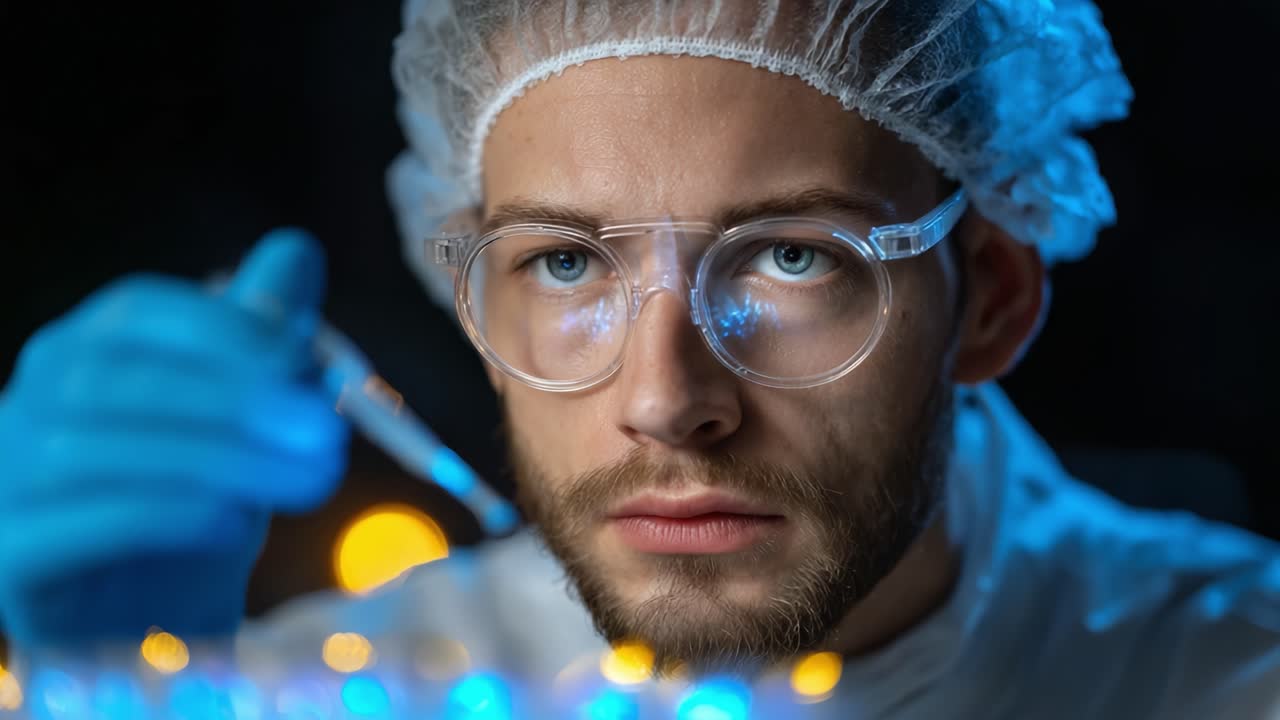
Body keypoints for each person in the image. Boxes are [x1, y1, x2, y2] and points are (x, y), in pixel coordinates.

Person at [1, 0, 1277, 717]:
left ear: (987, 301)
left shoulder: (1227, 673)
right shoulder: (365, 685)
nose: (666, 401)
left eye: (791, 259)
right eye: (565, 265)